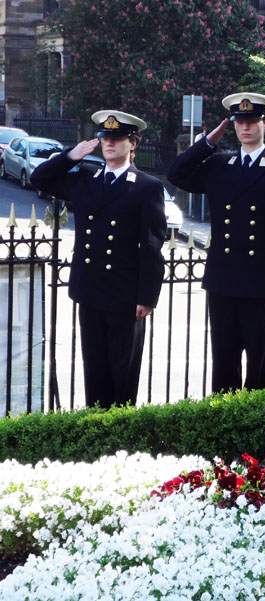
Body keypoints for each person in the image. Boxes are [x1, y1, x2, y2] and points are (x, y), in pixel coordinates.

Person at [31, 110, 166, 408]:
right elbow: (39, 177)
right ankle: (96, 432)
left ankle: (120, 437)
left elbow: (152, 246)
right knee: (94, 370)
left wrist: (147, 297)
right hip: (89, 290)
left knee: (122, 374)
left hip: (125, 295)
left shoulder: (146, 186)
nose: (109, 144)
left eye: (117, 139)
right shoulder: (86, 177)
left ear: (133, 144)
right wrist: (70, 156)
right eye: (105, 138)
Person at [167, 92, 265, 393]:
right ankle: (222, 422)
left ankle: (257, 421)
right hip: (223, 276)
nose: (246, 128)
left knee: (259, 360)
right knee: (224, 358)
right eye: (240, 122)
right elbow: (177, 174)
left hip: (261, 278)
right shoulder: (219, 164)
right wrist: (206, 143)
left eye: (253, 121)